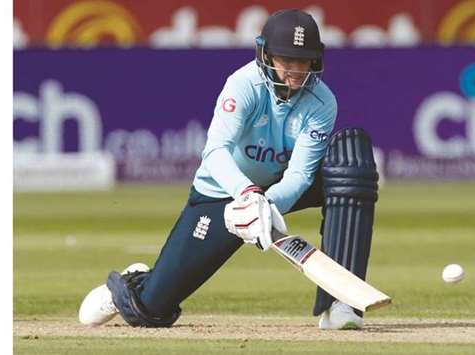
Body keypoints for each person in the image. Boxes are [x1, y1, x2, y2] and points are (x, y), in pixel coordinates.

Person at [78, 8, 379, 330]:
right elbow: (215, 152)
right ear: (266, 55)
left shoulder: (321, 102)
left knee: (350, 164)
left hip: (278, 189)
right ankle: (137, 282)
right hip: (222, 194)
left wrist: (266, 205)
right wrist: (247, 195)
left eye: (302, 61)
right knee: (152, 310)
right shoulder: (243, 85)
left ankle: (341, 305)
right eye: (286, 60)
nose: (294, 71)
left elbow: (300, 175)